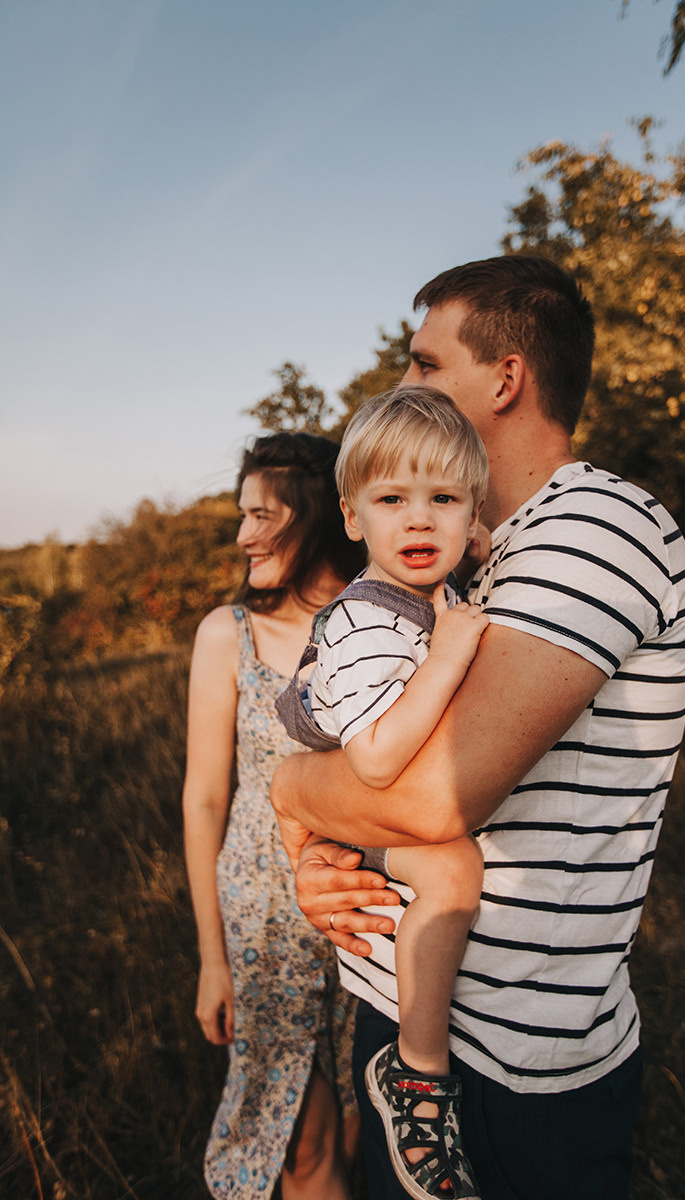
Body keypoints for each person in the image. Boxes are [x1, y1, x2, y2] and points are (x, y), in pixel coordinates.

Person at [270, 255, 685, 1200]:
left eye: (425, 365)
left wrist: (288, 791)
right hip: (403, 1013)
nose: (403, 384)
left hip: (516, 1056)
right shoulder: (460, 567)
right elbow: (378, 768)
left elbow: (434, 798)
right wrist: (325, 849)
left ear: (505, 379)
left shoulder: (594, 527)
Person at [276, 387, 491, 1200]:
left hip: (366, 803)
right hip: (359, 805)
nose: (420, 522)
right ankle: (419, 1074)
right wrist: (450, 653)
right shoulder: (369, 623)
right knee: (452, 869)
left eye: (444, 501)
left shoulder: (426, 592)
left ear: (472, 516)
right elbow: (372, 763)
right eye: (393, 500)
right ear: (352, 517)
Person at [182, 431, 366, 1200]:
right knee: (299, 1142)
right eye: (241, 513)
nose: (241, 534)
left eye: (262, 514)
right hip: (261, 924)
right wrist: (213, 958)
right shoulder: (229, 634)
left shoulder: (382, 625)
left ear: (317, 513)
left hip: (366, 913)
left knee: (363, 1126)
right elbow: (204, 798)